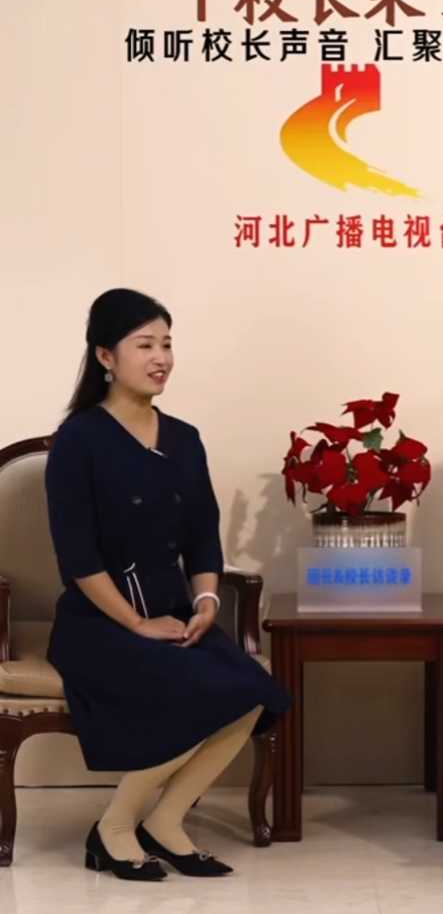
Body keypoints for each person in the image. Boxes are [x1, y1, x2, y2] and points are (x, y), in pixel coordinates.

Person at [45, 288, 291, 881]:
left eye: (167, 344)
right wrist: (136, 623)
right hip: (98, 622)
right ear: (106, 356)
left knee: (253, 691)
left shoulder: (184, 438)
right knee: (193, 689)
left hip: (175, 613)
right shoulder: (78, 439)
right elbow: (77, 557)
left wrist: (205, 600)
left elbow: (203, 536)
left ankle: (166, 821)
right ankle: (114, 829)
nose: (161, 358)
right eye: (145, 345)